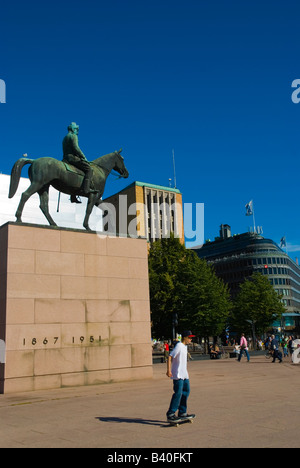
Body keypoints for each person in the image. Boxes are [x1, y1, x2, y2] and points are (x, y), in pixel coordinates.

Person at [62, 122, 98, 203]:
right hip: (72, 158)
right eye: (76, 129)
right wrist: (83, 157)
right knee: (89, 169)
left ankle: (73, 196)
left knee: (76, 173)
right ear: (72, 129)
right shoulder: (73, 136)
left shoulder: (65, 138)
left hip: (65, 159)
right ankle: (86, 189)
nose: (77, 131)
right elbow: (76, 148)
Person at [166, 330, 196, 423]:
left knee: (186, 392)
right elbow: (170, 356)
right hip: (178, 374)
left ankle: (182, 412)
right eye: (190, 338)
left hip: (184, 374)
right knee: (178, 393)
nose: (191, 339)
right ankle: (171, 414)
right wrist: (168, 370)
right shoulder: (179, 346)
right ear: (185, 338)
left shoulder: (184, 346)